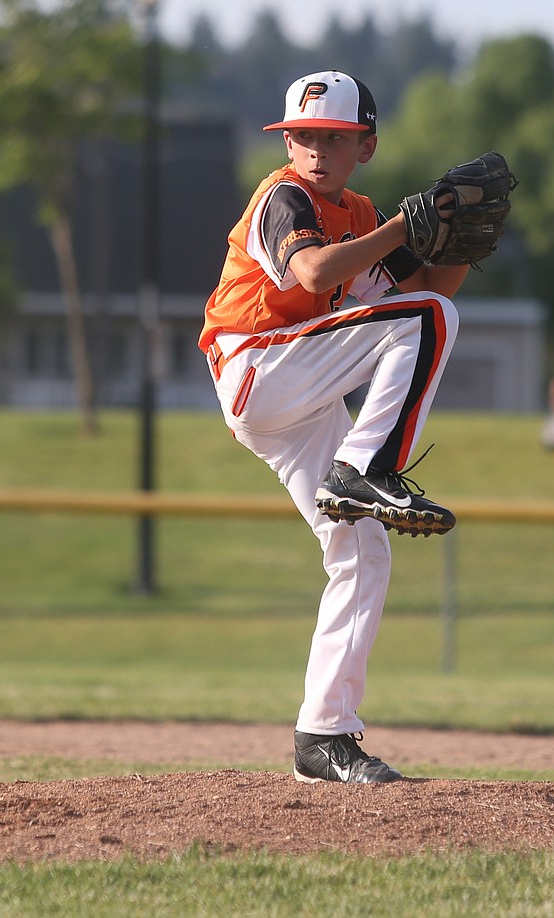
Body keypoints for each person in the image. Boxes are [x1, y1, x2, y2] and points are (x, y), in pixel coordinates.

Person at [199, 71, 481, 784]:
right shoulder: (283, 198)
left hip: (302, 392)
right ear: (286, 140)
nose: (316, 148)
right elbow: (316, 271)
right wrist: (402, 230)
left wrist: (461, 250)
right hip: (257, 367)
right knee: (429, 324)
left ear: (367, 146)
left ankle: (324, 738)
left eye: (336, 137)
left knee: (362, 553)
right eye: (303, 135)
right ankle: (364, 468)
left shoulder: (357, 210)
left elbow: (410, 297)